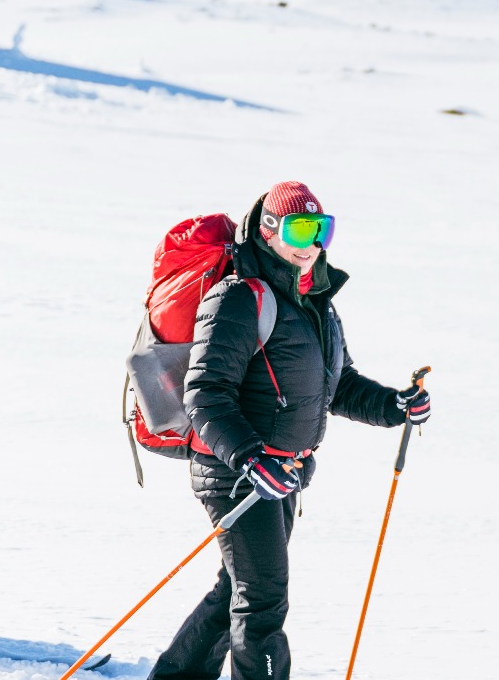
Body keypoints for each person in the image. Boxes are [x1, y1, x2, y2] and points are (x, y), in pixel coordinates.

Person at [149, 181, 432, 680]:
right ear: (269, 230)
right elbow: (205, 393)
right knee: (262, 604)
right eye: (302, 228)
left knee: (237, 590)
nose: (313, 242)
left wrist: (394, 405)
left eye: (322, 229)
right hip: (236, 471)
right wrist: (252, 459)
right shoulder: (238, 297)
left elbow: (338, 385)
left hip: (282, 474)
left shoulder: (314, 302)